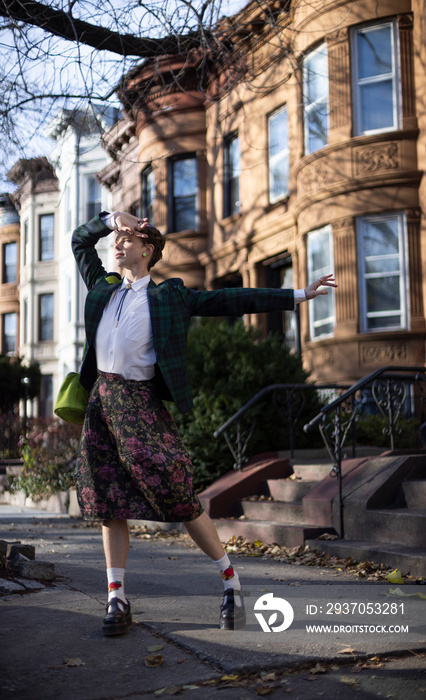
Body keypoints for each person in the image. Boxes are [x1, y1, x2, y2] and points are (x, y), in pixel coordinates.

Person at [72, 210, 337, 637]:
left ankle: (231, 582)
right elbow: (79, 242)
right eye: (115, 239)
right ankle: (116, 597)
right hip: (101, 405)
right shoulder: (101, 288)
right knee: (108, 501)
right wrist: (109, 218)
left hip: (140, 404)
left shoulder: (168, 297)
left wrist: (299, 294)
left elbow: (231, 300)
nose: (117, 244)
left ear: (148, 248)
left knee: (180, 494)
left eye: (126, 238)